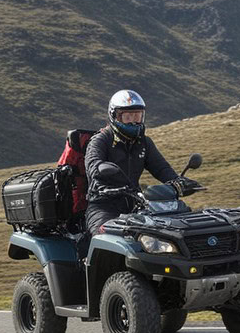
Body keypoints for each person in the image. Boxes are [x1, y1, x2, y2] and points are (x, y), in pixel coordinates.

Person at [84, 90, 198, 234]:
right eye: (128, 116)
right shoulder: (100, 140)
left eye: (137, 116)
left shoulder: (144, 142)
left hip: (137, 204)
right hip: (103, 206)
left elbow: (161, 168)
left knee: (168, 232)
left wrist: (178, 181)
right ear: (115, 116)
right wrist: (103, 169)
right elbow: (93, 165)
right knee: (106, 236)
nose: (133, 121)